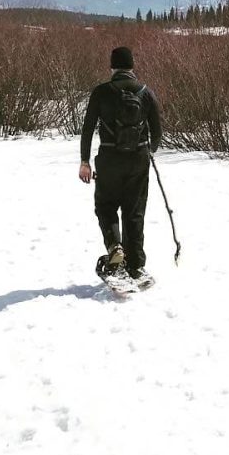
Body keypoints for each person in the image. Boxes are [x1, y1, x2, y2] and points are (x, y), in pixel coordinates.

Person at [79, 46, 162, 285]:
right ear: (132, 66)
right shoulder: (146, 93)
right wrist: (148, 152)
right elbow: (157, 133)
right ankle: (136, 266)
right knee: (134, 212)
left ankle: (115, 246)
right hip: (138, 161)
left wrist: (84, 161)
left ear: (112, 67)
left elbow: (87, 129)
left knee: (105, 206)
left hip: (108, 159)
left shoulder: (101, 92)